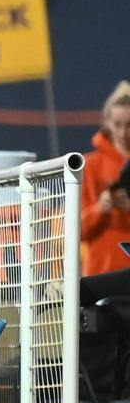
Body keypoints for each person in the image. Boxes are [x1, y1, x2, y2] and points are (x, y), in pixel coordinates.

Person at [79, 81, 130, 277]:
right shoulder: (90, 165)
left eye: (129, 125)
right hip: (102, 274)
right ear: (107, 122)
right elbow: (77, 230)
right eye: (118, 124)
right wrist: (101, 207)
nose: (123, 133)